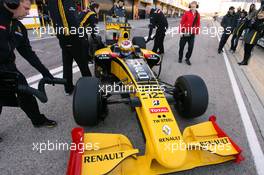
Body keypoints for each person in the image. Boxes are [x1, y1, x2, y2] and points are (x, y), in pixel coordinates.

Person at [0, 0, 57, 133]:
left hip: (8, 69)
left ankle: (38, 120)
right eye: (26, 8)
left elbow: (28, 54)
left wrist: (45, 72)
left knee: (26, 94)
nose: (28, 12)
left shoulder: (19, 28)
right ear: (12, 2)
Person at [47, 0, 92, 95]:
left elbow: (55, 20)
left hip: (62, 37)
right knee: (83, 64)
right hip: (71, 37)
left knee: (67, 65)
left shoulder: (51, 3)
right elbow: (72, 20)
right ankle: (90, 88)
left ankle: (68, 88)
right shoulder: (65, 2)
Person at [178, 1, 200, 65]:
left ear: (196, 7)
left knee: (191, 47)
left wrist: (196, 31)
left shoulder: (198, 14)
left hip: (192, 34)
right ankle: (180, 58)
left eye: (194, 6)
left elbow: (198, 24)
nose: (193, 8)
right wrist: (180, 32)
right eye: (192, 6)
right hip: (185, 33)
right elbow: (182, 22)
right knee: (181, 46)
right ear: (190, 6)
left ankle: (187, 58)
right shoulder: (187, 13)